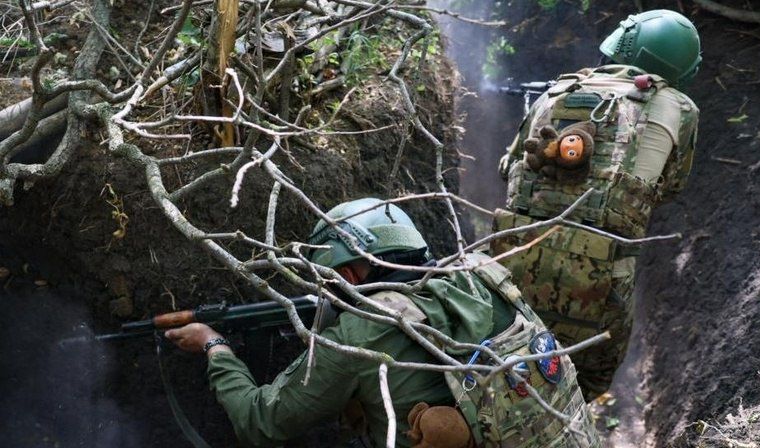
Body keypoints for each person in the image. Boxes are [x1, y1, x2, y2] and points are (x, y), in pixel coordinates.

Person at [166, 198, 601, 447]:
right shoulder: (484, 273)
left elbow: (261, 421)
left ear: (352, 273)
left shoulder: (360, 336)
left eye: (333, 279)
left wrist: (213, 345)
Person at [493, 9, 701, 400]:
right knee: (582, 386)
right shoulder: (680, 108)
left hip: (512, 265)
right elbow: (670, 186)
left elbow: (509, 168)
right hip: (600, 279)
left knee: (503, 369)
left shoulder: (556, 90)